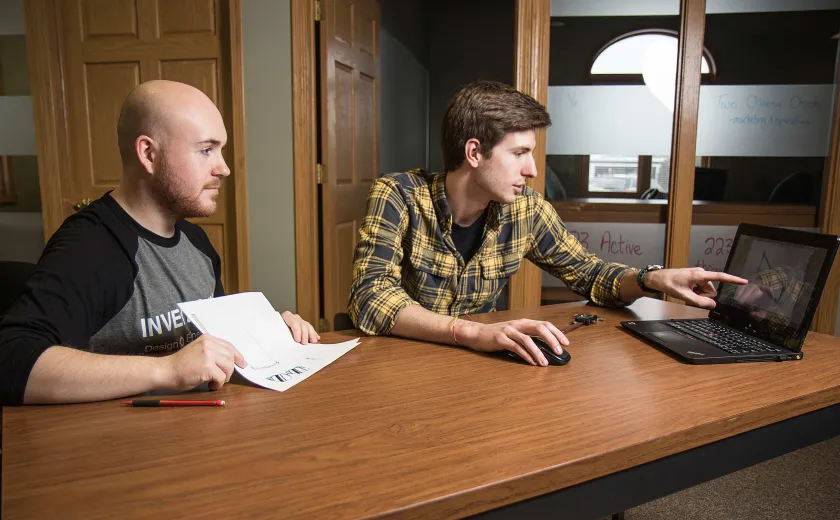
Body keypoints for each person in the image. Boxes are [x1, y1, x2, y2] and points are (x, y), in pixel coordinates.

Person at [349, 80, 746, 366]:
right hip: (397, 363)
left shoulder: (527, 210)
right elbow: (370, 296)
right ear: (474, 152)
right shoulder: (397, 195)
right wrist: (472, 332)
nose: (533, 169)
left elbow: (590, 274)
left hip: (470, 366)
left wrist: (650, 279)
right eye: (520, 152)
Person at [0, 80, 318, 406]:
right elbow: (11, 360)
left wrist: (269, 337)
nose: (223, 168)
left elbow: (210, 348)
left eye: (220, 150)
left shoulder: (196, 242)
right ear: (149, 154)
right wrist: (167, 370)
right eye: (206, 150)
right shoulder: (90, 246)